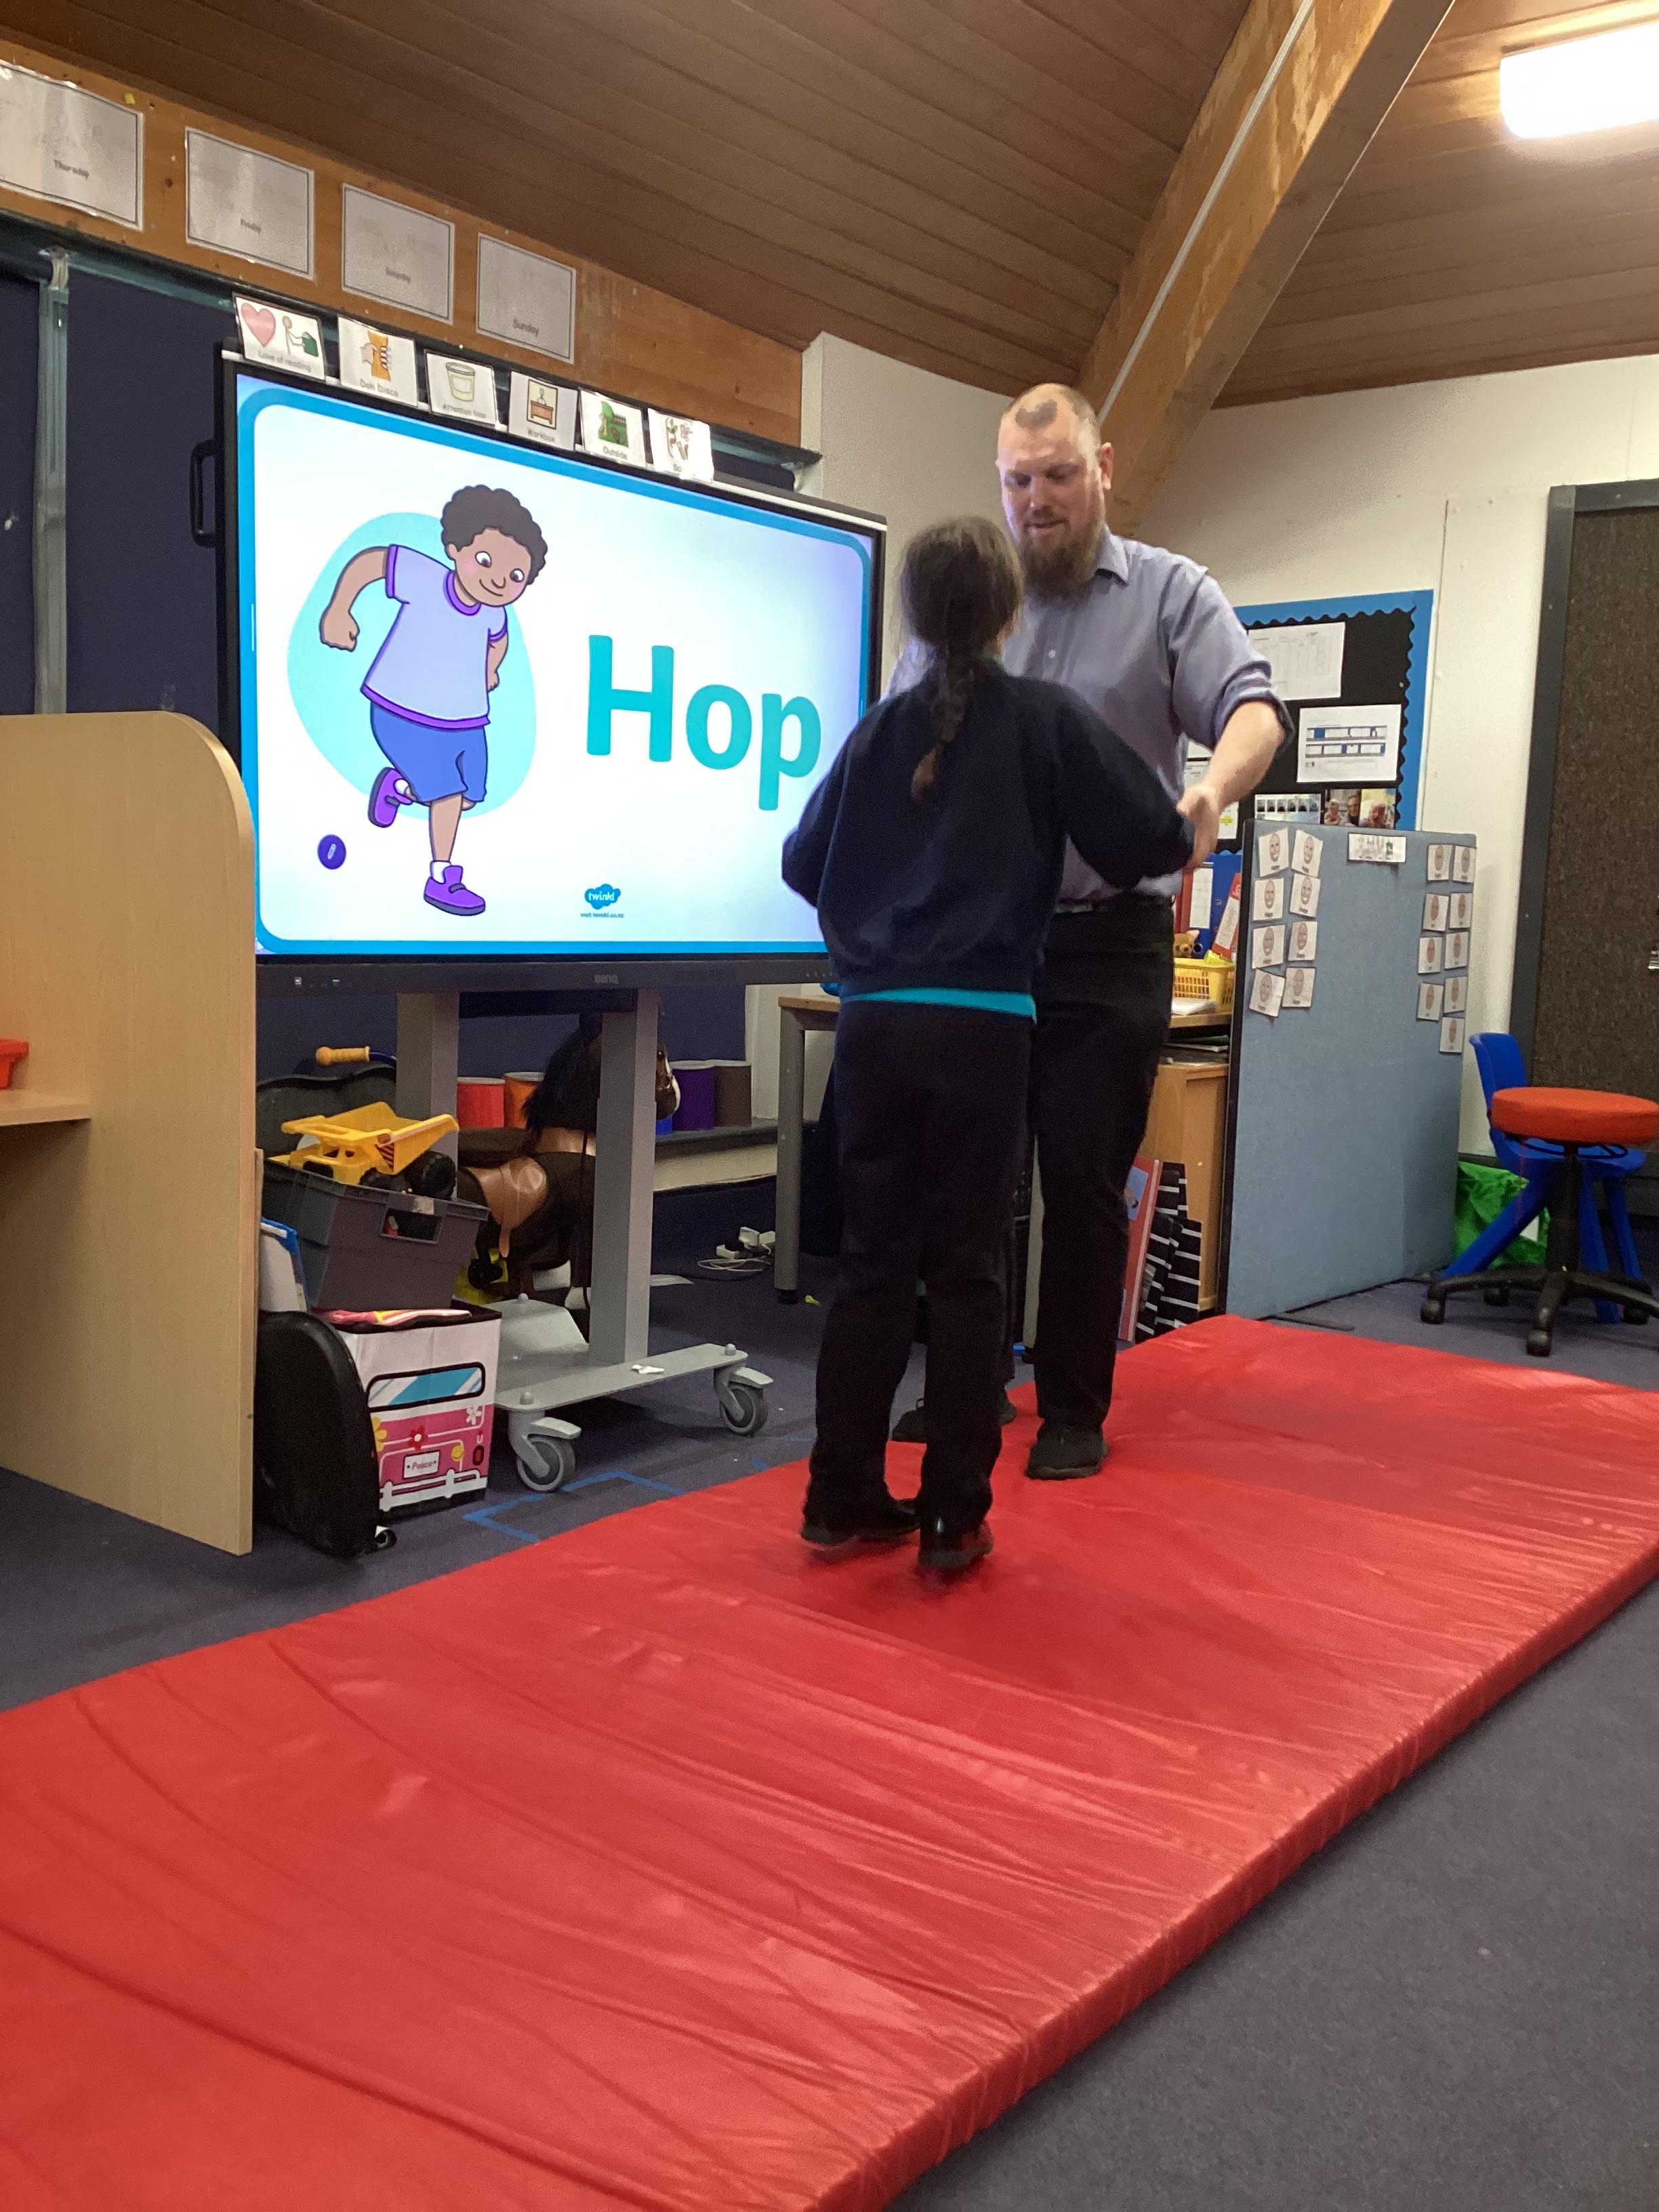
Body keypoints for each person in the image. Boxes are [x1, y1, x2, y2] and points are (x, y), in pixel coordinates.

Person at [889, 386, 1288, 1477]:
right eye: (1017, 482)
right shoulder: (971, 608)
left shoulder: (1169, 593)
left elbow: (1255, 712)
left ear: (1104, 466)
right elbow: (900, 741)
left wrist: (1209, 793)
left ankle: (1071, 1405)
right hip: (984, 941)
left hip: (1112, 939)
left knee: (1079, 1179)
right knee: (971, 1182)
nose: (1038, 501)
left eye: (1059, 476)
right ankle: (968, 1387)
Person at [781, 518, 1192, 1576]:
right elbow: (1149, 840)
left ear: (916, 619)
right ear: (1012, 614)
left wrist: (880, 915)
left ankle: (837, 1496)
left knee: (873, 1264)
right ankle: (952, 1515)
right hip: (985, 1027)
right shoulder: (1045, 719)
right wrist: (1188, 809)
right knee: (970, 1267)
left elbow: (802, 862)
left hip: (873, 1026)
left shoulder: (878, 732)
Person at [320, 485, 548, 917]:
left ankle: (399, 788)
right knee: (448, 796)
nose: (500, 581)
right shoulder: (424, 577)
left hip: (465, 720)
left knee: (468, 795)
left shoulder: (494, 611)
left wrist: (490, 669)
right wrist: (339, 609)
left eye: (517, 576)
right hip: (402, 711)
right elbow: (371, 563)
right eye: (486, 561)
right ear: (455, 548)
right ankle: (442, 877)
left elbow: (498, 640)